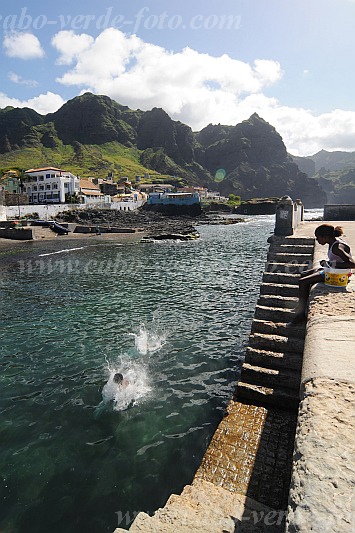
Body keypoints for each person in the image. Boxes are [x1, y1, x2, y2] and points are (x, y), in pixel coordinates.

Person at [290, 224, 355, 325]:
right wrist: (328, 264)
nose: (317, 240)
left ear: (325, 237)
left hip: (337, 275)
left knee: (303, 282)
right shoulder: (333, 242)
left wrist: (328, 263)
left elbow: (352, 264)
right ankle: (302, 305)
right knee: (304, 274)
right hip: (333, 270)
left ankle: (300, 315)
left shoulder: (337, 247)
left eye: (318, 237)